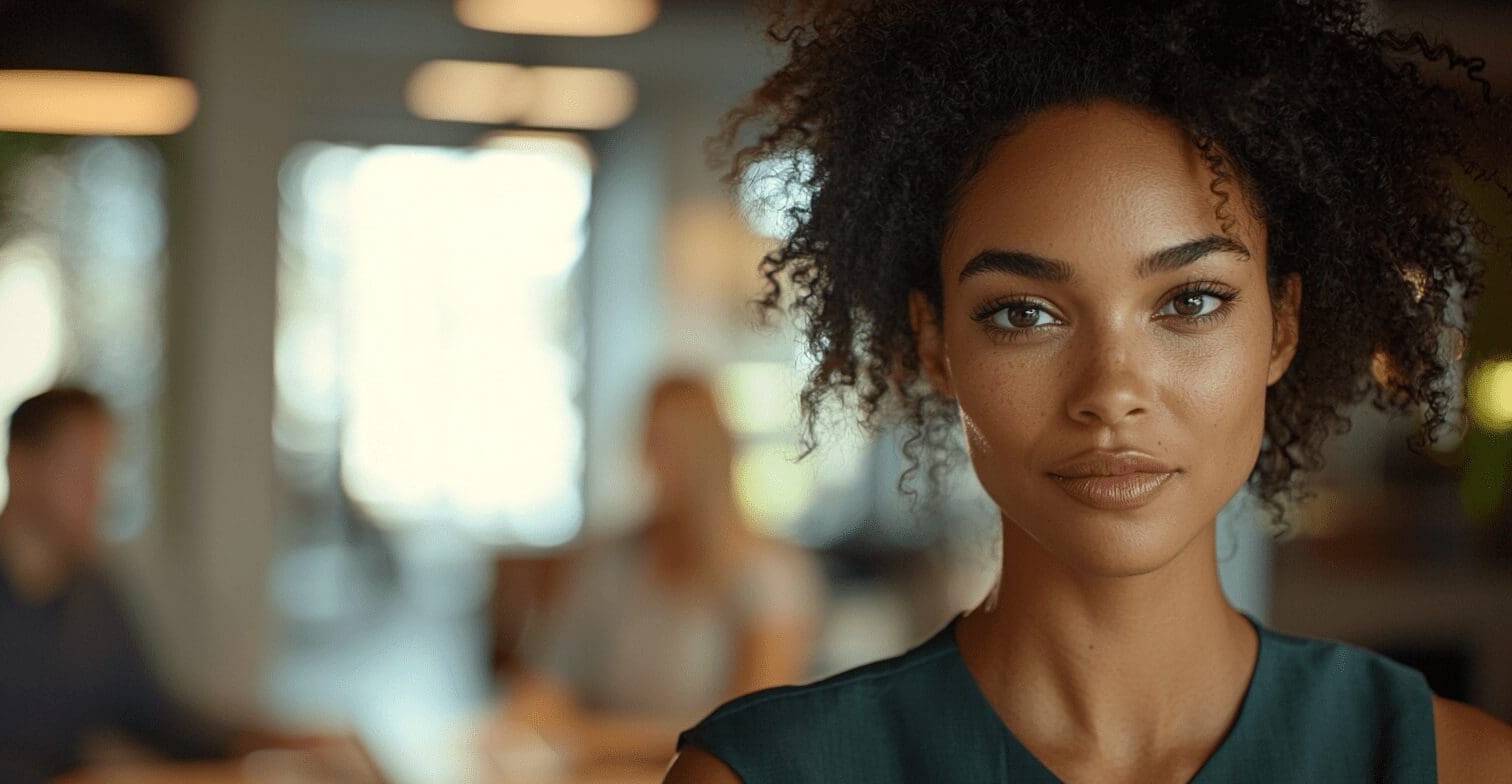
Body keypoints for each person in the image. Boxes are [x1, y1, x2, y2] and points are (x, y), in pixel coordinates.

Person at [665, 2, 1512, 782]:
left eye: (1190, 301)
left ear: (1282, 328)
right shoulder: (764, 776)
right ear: (935, 344)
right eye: (1025, 313)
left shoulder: (1454, 765)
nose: (1111, 391)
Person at [0, 388, 325, 783]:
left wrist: (279, 742)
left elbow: (157, 717)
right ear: (21, 465)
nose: (98, 494)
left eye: (103, 472)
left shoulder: (92, 592)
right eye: (80, 472)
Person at [504, 375, 825, 768]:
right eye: (653, 442)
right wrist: (535, 724)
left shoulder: (769, 575)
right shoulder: (609, 561)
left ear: (717, 453)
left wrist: (597, 740)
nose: (660, 461)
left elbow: (754, 727)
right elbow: (545, 685)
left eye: (678, 445)